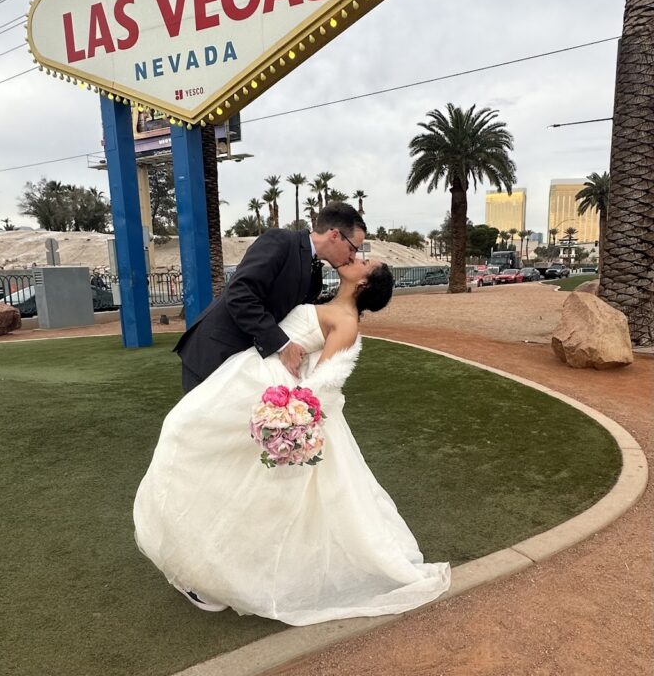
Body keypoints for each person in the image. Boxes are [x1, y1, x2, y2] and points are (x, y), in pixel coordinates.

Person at [134, 258, 451, 625]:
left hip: (270, 395)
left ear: (364, 283)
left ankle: (219, 573)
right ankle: (203, 565)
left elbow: (324, 383)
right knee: (191, 441)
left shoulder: (346, 321)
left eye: (364, 262)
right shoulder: (327, 302)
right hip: (246, 379)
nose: (356, 258)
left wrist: (286, 419)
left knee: (223, 466)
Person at [174, 201, 366, 392]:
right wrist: (283, 345)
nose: (352, 257)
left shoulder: (315, 277)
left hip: (247, 367)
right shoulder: (280, 241)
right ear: (334, 235)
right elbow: (240, 295)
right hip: (214, 353)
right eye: (353, 248)